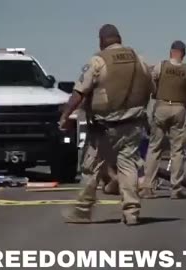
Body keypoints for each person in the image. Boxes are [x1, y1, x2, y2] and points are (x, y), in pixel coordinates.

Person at [60, 24, 154, 225]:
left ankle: (82, 210)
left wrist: (66, 116)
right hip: (132, 125)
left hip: (104, 127)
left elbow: (79, 92)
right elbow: (151, 87)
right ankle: (131, 212)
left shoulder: (98, 61)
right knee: (128, 166)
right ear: (119, 39)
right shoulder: (140, 60)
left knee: (91, 167)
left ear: (102, 41)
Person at [139, 40, 186, 199]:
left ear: (171, 52)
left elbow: (149, 83)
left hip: (161, 107)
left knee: (154, 148)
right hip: (179, 109)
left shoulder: (160, 66)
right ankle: (176, 188)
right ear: (184, 54)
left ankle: (148, 187)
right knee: (177, 150)